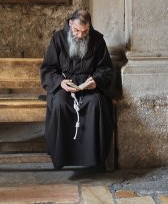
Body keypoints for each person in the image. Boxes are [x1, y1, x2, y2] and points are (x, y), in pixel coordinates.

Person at [40, 10, 114, 170]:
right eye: (77, 31)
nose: (80, 35)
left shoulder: (97, 40)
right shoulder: (58, 39)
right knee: (59, 104)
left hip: (88, 85)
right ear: (70, 23)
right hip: (65, 86)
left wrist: (96, 81)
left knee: (95, 104)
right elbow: (48, 69)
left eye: (85, 31)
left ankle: (93, 160)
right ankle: (62, 157)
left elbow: (106, 68)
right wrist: (60, 82)